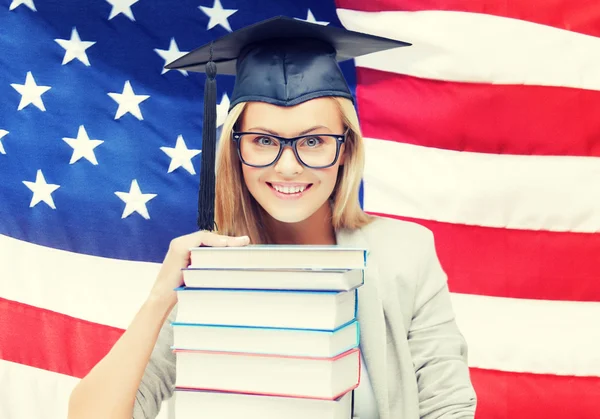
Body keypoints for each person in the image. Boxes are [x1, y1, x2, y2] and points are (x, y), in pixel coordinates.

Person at [68, 16, 477, 419]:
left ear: (346, 151)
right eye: (264, 140)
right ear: (235, 151)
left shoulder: (404, 253)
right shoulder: (208, 272)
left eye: (314, 141)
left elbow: (448, 408)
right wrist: (161, 298)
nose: (287, 167)